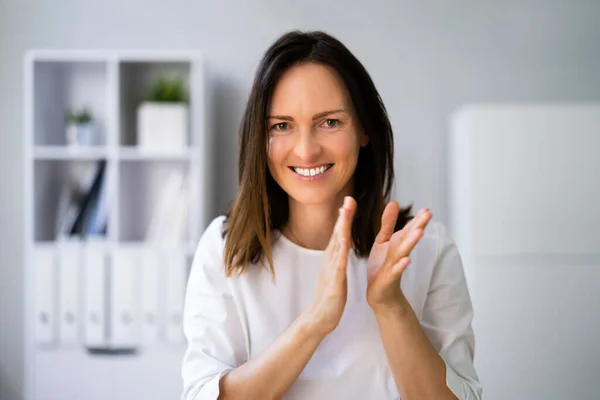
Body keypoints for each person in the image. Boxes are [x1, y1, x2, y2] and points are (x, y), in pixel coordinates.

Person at [181, 30, 482, 400]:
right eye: (282, 125)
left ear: (364, 129)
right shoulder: (224, 248)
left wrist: (390, 306)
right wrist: (313, 324)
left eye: (330, 122)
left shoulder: (427, 249)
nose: (306, 151)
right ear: (260, 138)